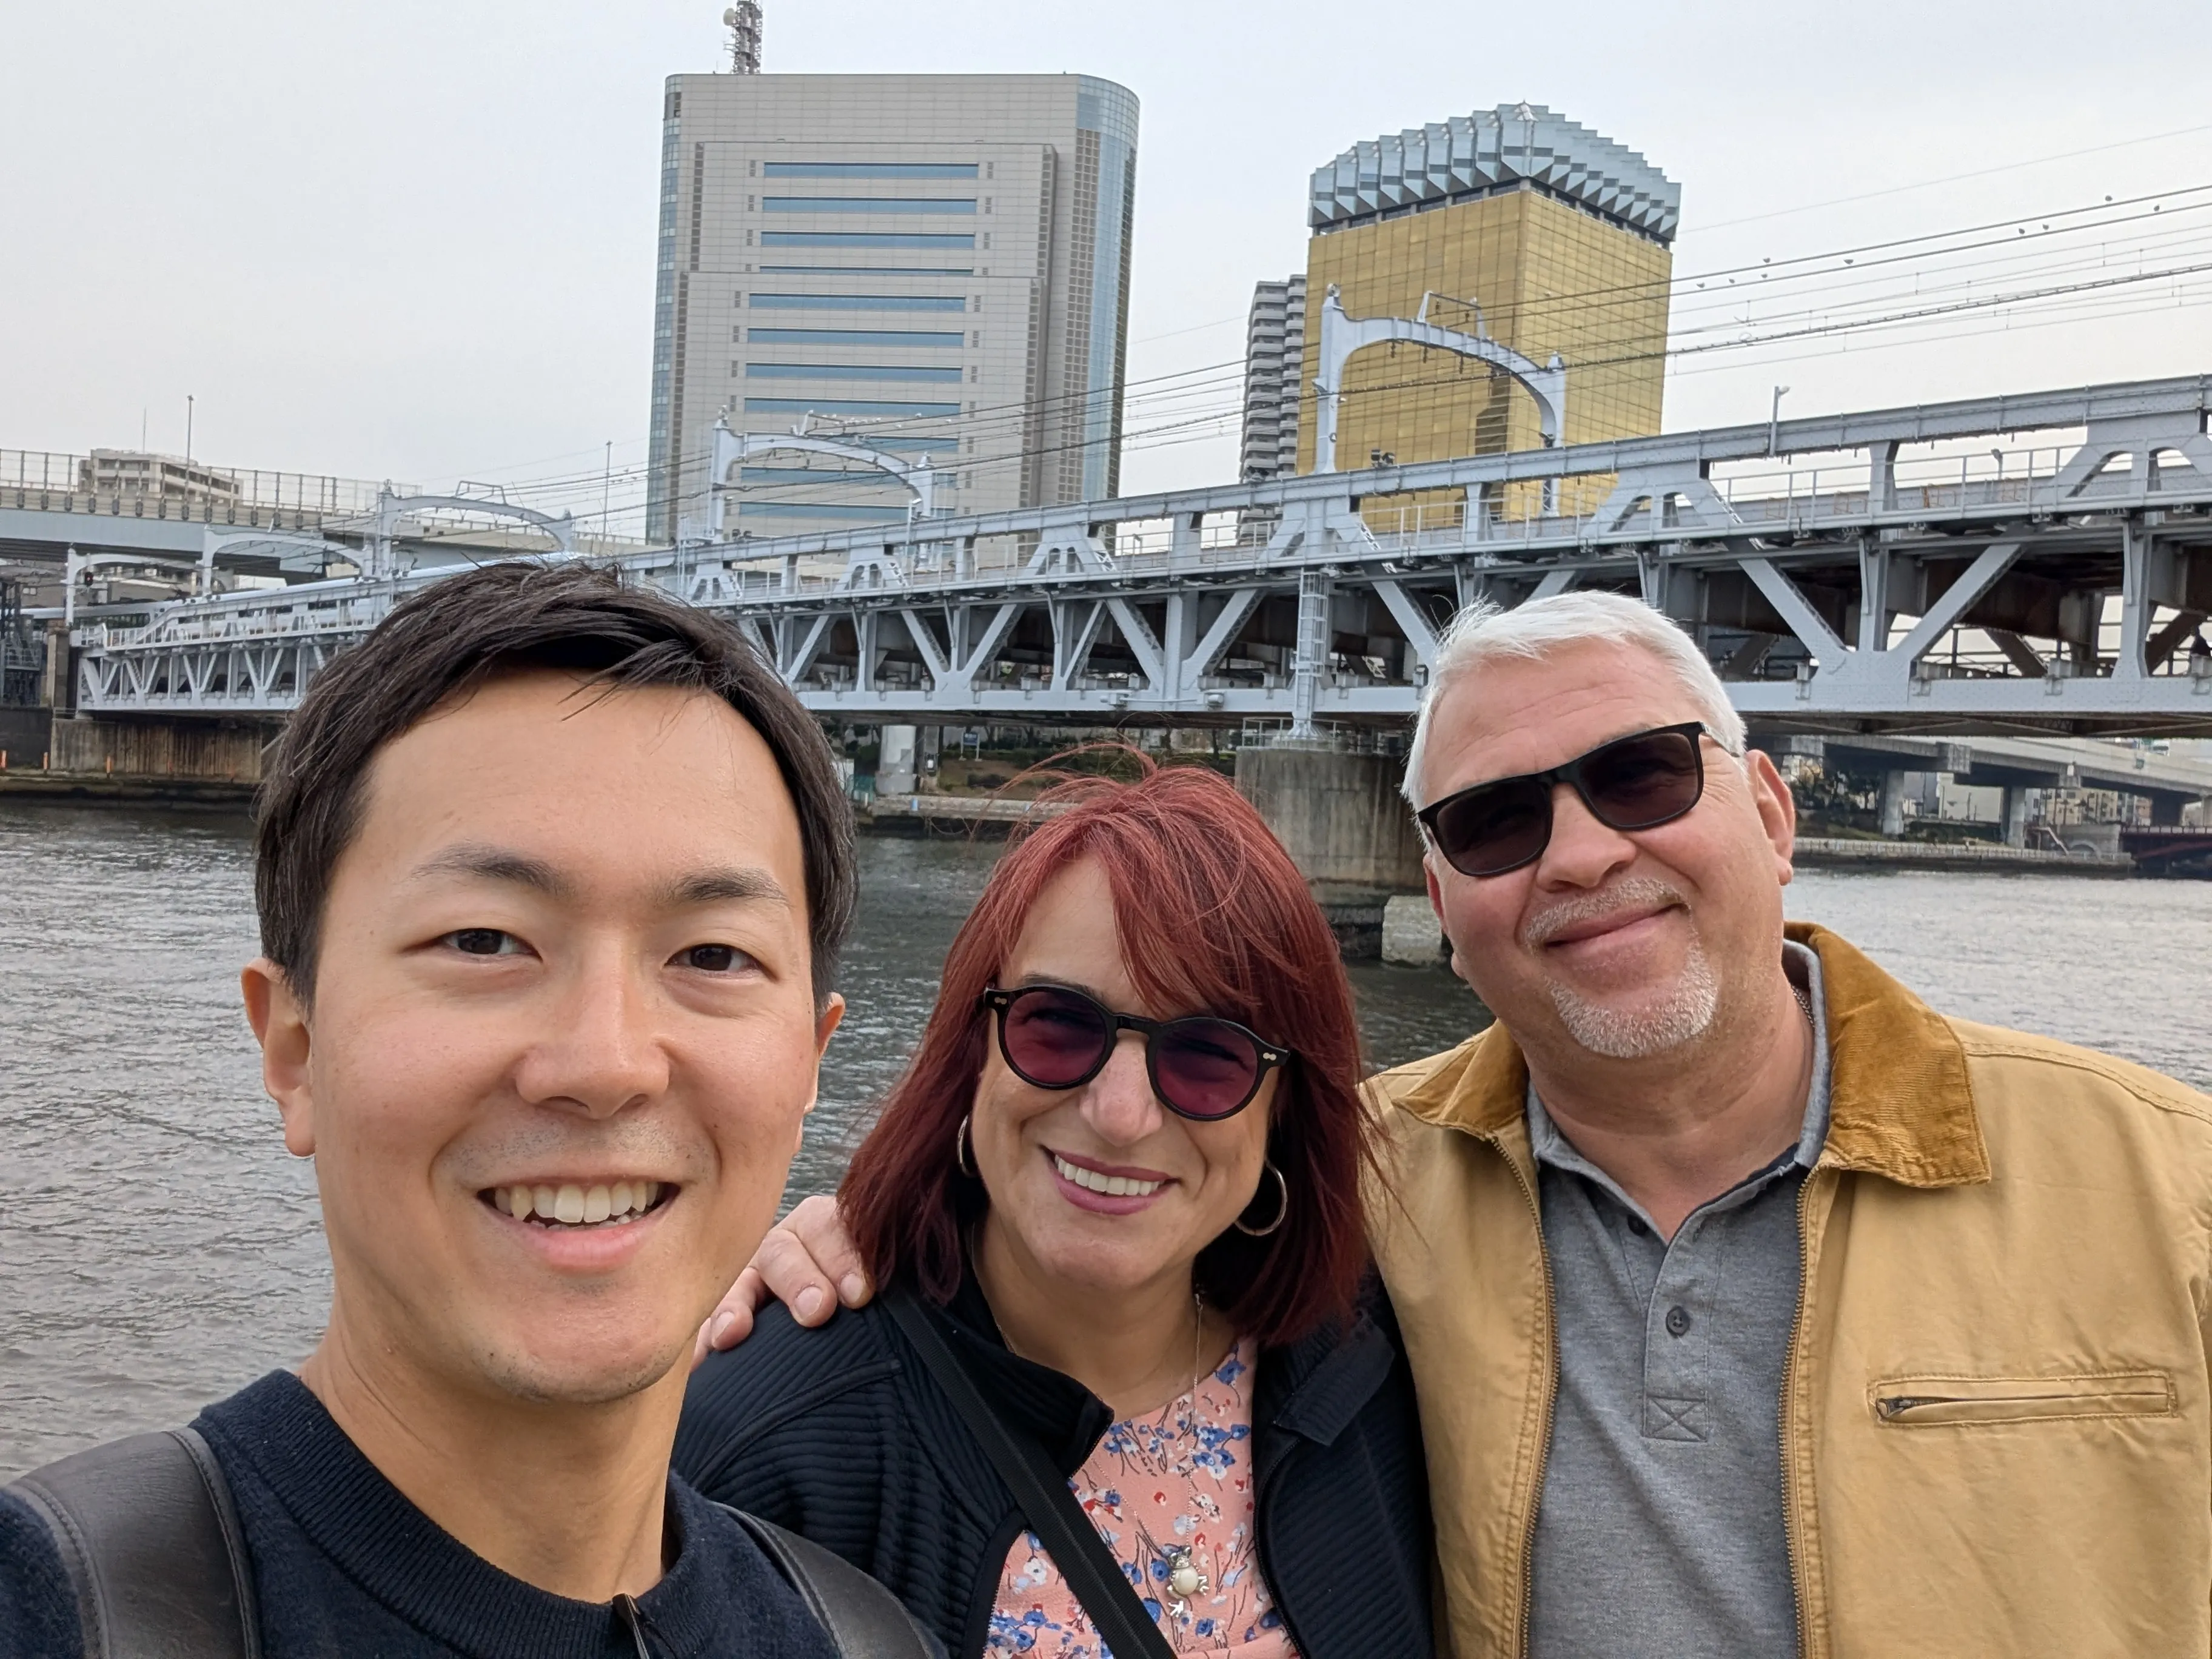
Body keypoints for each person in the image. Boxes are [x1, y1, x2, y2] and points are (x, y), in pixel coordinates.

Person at [708, 589, 2212, 1658]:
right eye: (1496, 820)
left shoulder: (2163, 1178)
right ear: (1441, 896)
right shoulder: (1374, 1176)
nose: (1579, 855)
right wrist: (861, 1221)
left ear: (1768, 809)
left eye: (1640, 776)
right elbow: (1115, 1171)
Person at [1, 563, 933, 1658]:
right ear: (292, 1047)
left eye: (714, 955)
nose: (607, 1062)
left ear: (809, 1062)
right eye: (484, 941)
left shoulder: (862, 1639)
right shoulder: (58, 1610)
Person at [675, 760, 1432, 1659]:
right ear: (973, 1057)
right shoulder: (767, 1445)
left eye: (1209, 1059)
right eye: (1057, 1028)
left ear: (1281, 1113)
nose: (1120, 1116)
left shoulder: (1361, 1369)